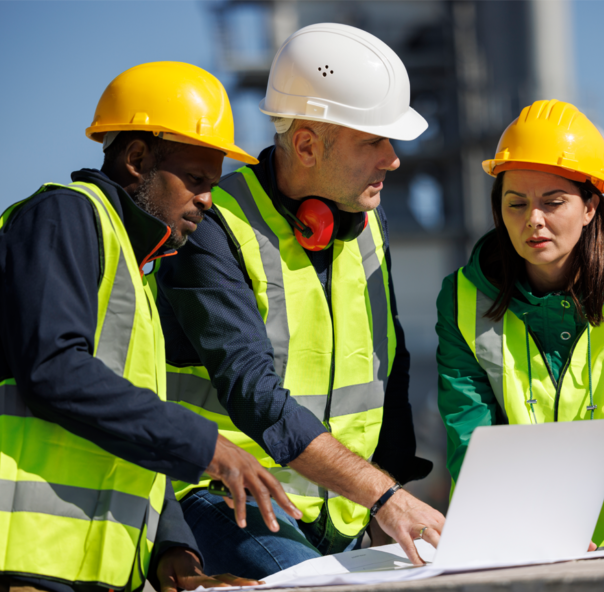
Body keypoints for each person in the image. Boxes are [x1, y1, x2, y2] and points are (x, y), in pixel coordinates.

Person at [0, 61, 301, 592]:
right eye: (196, 180)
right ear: (136, 159)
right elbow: (54, 370)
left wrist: (175, 554)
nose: (208, 200)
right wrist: (207, 443)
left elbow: (127, 426)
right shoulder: (61, 217)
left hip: (90, 574)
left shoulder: (134, 272)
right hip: (11, 567)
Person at [154, 24, 445, 579]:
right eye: (372, 140)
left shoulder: (364, 220)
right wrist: (383, 497)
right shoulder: (214, 228)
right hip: (228, 496)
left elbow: (393, 363)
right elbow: (254, 393)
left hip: (340, 508)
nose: (394, 159)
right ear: (307, 143)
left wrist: (392, 486)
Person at [436, 99, 604, 550]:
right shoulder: (463, 297)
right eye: (515, 203)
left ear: (591, 206)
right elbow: (469, 430)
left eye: (553, 202)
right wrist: (525, 531)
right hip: (512, 539)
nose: (532, 220)